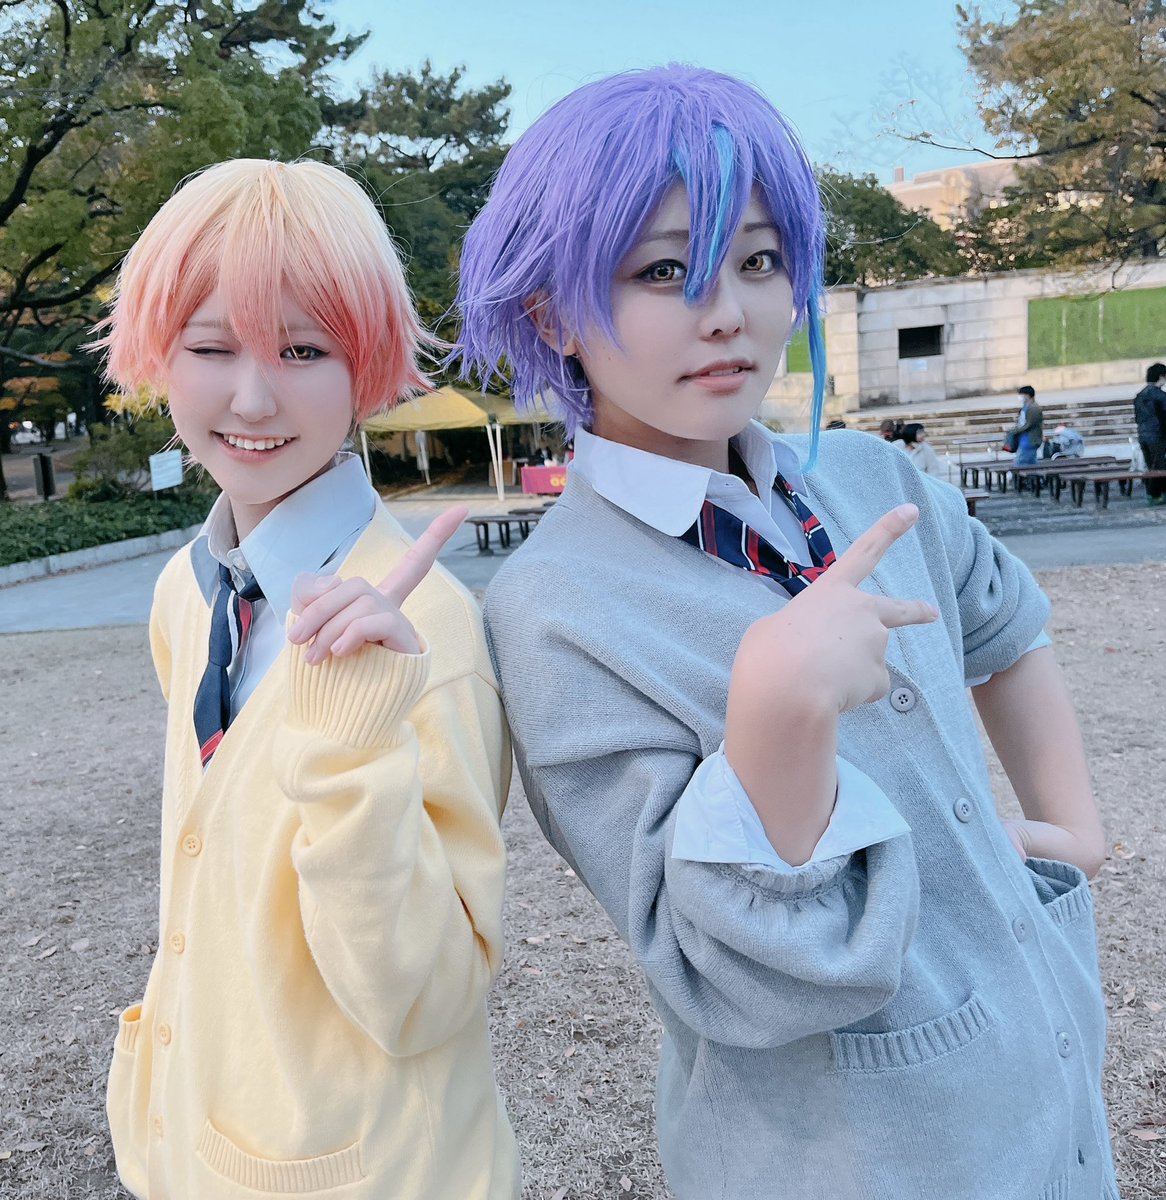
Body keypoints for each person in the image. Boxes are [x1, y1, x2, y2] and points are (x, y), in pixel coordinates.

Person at [454, 66, 1114, 1200]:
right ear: (552, 310)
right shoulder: (553, 609)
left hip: (1047, 1080)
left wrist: (1072, 834)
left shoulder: (864, 476)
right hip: (840, 1155)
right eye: (663, 271)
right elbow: (724, 976)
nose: (727, 312)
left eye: (758, 261)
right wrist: (775, 717)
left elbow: (1004, 621)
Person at [94, 159, 518, 1200]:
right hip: (193, 1141)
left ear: (365, 366)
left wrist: (350, 749)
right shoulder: (187, 590)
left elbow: (425, 997)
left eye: (302, 349)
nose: (251, 397)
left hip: (372, 1171)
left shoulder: (426, 631)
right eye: (210, 347)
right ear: (159, 355)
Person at [1134, 362, 1166, 505]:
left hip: (1143, 435)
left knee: (1151, 466)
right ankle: (1156, 495)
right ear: (1161, 377)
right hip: (1157, 435)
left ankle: (1153, 494)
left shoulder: (1140, 395)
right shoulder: (1160, 396)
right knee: (1159, 467)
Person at [1012, 384, 1044, 466]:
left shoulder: (1034, 408)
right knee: (1031, 464)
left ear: (1027, 395)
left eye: (1021, 395)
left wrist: (1016, 431)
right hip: (1024, 440)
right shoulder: (1026, 407)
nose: (1020, 397)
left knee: (1019, 464)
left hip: (1029, 441)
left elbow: (1029, 424)